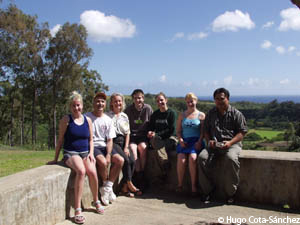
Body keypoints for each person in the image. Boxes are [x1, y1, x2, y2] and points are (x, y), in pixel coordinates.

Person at [47, 91, 104, 224]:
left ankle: (96, 200)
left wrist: (91, 153)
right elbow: (60, 140)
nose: (76, 108)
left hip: (85, 152)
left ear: (82, 106)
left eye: (78, 105)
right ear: (70, 107)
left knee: (92, 171)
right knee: (81, 171)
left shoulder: (87, 120)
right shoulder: (66, 120)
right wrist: (55, 159)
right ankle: (77, 209)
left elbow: (91, 139)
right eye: (73, 106)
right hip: (71, 153)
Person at [197, 88, 247, 204]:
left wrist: (230, 143)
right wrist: (209, 141)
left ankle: (230, 193)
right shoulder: (211, 114)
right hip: (214, 145)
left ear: (228, 99)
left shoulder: (236, 114)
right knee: (202, 158)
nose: (219, 101)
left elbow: (242, 132)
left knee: (230, 159)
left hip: (232, 144)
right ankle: (207, 191)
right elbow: (206, 131)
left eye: (222, 99)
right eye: (217, 99)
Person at [86, 92, 124, 206]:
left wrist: (108, 154)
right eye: (97, 101)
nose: (100, 104)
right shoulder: (87, 117)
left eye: (102, 101)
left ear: (105, 104)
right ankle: (105, 186)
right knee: (102, 162)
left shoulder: (108, 119)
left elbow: (109, 140)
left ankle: (107, 187)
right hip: (94, 146)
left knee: (120, 160)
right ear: (93, 103)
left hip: (105, 146)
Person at [107, 93, 142, 197]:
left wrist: (126, 147)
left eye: (119, 101)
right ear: (112, 103)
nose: (118, 103)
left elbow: (127, 133)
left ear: (122, 102)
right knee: (125, 161)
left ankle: (124, 188)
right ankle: (129, 183)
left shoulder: (124, 116)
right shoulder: (108, 116)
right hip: (113, 141)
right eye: (115, 101)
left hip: (123, 142)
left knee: (132, 161)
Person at [176, 92, 205, 196]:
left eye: (191, 101)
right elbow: (178, 131)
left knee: (193, 158)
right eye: (188, 102)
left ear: (196, 101)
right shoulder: (182, 115)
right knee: (181, 158)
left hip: (196, 141)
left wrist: (199, 141)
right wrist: (180, 140)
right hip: (185, 141)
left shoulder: (201, 115)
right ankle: (180, 185)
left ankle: (194, 186)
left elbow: (203, 132)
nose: (190, 103)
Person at [124, 89, 153, 189]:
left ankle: (142, 173)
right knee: (133, 149)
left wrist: (151, 132)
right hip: (132, 136)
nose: (138, 100)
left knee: (143, 148)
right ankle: (139, 175)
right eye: (135, 98)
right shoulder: (128, 110)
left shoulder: (148, 109)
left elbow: (152, 123)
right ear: (133, 99)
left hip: (143, 136)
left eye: (139, 98)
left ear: (143, 98)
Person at [147, 92, 177, 181]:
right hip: (159, 139)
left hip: (170, 138)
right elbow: (151, 127)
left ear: (166, 100)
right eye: (158, 101)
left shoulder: (172, 113)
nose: (160, 102)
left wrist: (157, 134)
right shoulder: (155, 114)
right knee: (153, 140)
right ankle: (165, 164)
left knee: (158, 145)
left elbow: (172, 130)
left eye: (161, 100)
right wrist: (150, 132)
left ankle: (164, 166)